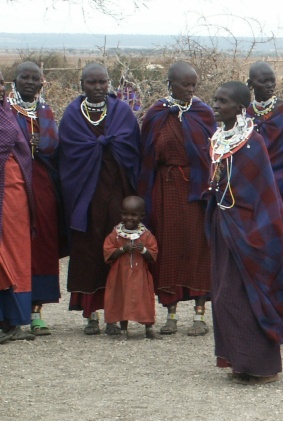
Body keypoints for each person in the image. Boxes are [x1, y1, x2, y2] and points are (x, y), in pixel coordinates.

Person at [207, 81, 283, 384]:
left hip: (252, 229)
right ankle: (238, 361)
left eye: (222, 101)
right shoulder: (218, 139)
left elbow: (262, 192)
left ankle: (262, 366)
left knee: (251, 295)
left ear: (239, 107)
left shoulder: (252, 143)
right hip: (225, 226)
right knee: (225, 295)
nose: (216, 105)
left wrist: (252, 228)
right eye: (215, 100)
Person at [60, 63, 141, 335]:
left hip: (116, 191)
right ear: (81, 84)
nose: (97, 88)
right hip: (85, 195)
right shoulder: (72, 115)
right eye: (91, 83)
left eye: (102, 82)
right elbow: (69, 157)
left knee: (116, 246)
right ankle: (91, 314)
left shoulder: (122, 112)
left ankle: (114, 315)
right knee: (88, 249)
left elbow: (132, 150)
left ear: (109, 83)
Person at [138, 61, 215, 336]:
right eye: (185, 84)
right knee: (169, 247)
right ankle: (170, 313)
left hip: (197, 191)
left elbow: (213, 155)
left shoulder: (203, 113)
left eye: (194, 84)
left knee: (198, 248)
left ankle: (199, 314)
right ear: (170, 84)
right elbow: (146, 157)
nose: (190, 90)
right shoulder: (156, 114)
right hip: (166, 188)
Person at [9, 62, 62, 336]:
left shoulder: (46, 110)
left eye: (35, 79)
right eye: (24, 78)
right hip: (14, 183)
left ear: (42, 82)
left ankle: (37, 312)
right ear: (14, 81)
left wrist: (44, 143)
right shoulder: (6, 110)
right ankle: (12, 310)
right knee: (15, 244)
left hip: (42, 184)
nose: (30, 82)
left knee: (42, 243)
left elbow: (54, 147)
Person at [0, 68, 36, 344]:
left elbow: (21, 155)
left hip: (13, 195)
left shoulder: (7, 115)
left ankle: (13, 320)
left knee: (14, 253)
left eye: (0, 83)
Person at [247, 61, 283, 235]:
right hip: (254, 179)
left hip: (281, 179)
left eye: (272, 80)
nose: (270, 85)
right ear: (250, 84)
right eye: (264, 81)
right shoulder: (245, 114)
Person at [103, 196, 159, 340]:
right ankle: (123, 330)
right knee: (122, 300)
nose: (129, 218)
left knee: (145, 300)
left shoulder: (146, 235)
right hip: (120, 275)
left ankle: (149, 328)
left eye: (134, 215)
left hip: (140, 275)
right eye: (125, 214)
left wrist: (143, 250)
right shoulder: (115, 234)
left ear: (142, 216)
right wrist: (123, 249)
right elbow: (108, 252)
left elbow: (153, 254)